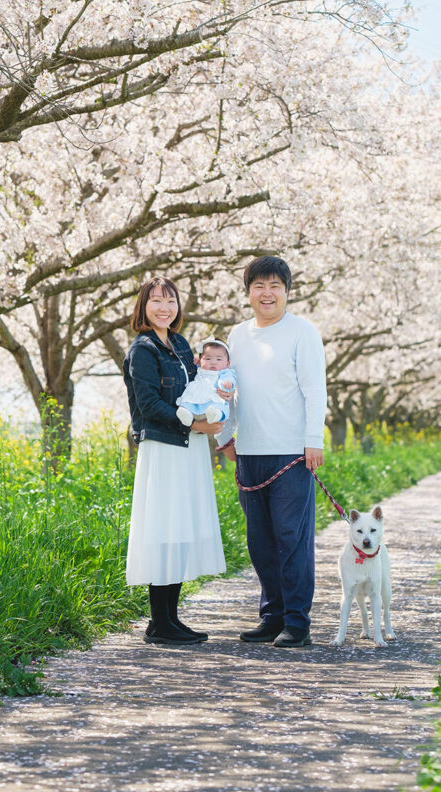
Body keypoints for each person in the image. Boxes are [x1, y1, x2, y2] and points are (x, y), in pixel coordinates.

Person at [217, 255, 327, 648]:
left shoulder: (302, 331)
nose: (267, 293)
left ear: (286, 291)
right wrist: (225, 438)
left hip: (293, 453)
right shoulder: (237, 335)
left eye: (275, 286)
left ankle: (297, 622)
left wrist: (314, 439)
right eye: (259, 286)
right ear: (248, 293)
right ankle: (272, 616)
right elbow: (230, 389)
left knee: (291, 537)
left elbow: (315, 390)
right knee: (260, 540)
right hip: (249, 451)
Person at [123, 277, 226, 645]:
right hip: (164, 446)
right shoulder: (143, 350)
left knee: (180, 527)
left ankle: (171, 618)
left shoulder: (181, 344)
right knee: (164, 528)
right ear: (143, 307)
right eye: (155, 301)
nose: (164, 308)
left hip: (190, 445)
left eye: (170, 301)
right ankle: (158, 621)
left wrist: (221, 393)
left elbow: (198, 388)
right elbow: (149, 404)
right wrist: (194, 422)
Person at [175, 335, 237, 426]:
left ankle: (215, 415)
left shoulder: (225, 372)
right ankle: (187, 415)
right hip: (197, 394)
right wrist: (194, 364)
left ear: (227, 363)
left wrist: (227, 384)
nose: (213, 362)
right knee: (189, 402)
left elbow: (229, 378)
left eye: (219, 359)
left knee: (220, 407)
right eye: (208, 358)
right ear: (200, 361)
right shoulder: (199, 369)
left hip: (214, 396)